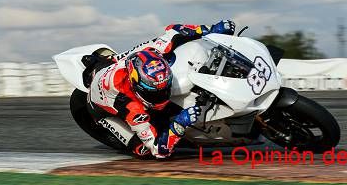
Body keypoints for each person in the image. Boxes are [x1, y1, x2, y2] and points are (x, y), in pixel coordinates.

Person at [84, 20, 235, 158]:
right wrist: (179, 125)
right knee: (144, 151)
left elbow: (175, 31)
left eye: (164, 90)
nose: (162, 96)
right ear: (137, 88)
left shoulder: (153, 51)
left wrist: (212, 29)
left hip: (115, 65)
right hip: (100, 105)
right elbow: (159, 150)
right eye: (155, 94)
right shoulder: (132, 108)